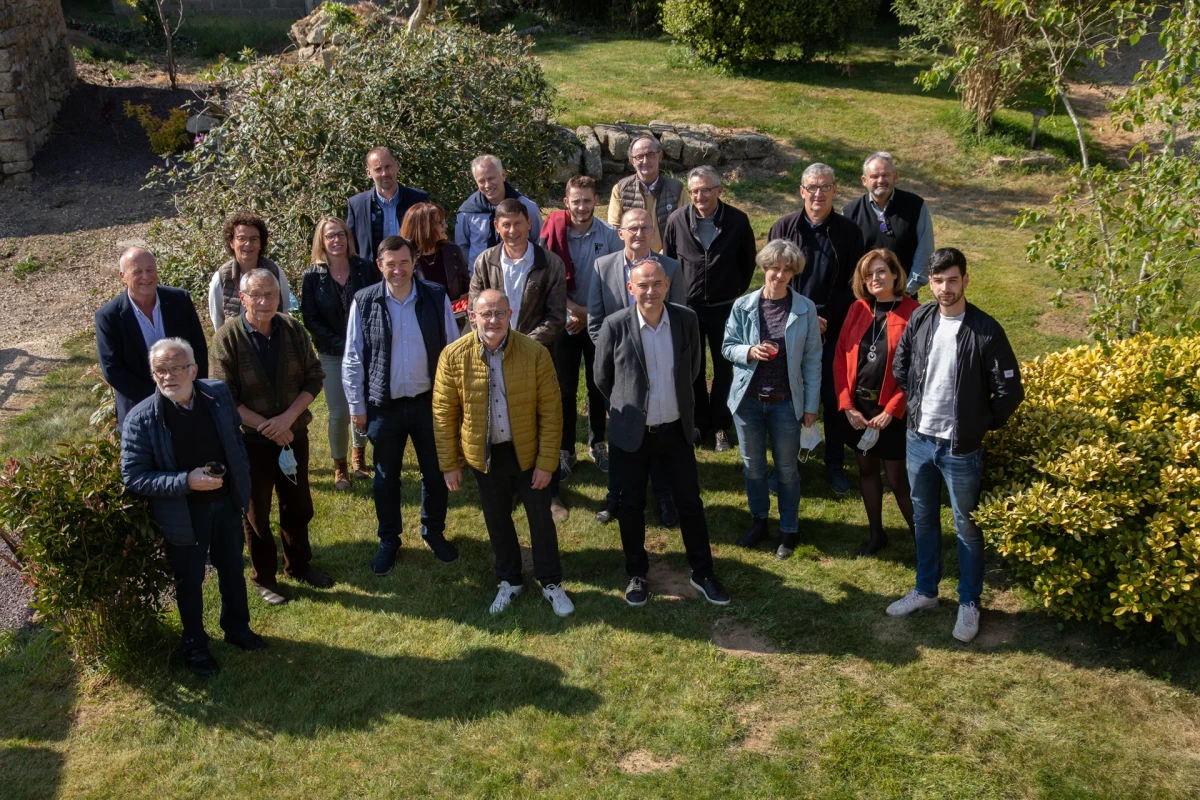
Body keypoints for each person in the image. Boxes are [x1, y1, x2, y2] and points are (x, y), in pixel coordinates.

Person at [886, 247, 1025, 643]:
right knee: (924, 518)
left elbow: (1009, 391)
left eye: (952, 280)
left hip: (960, 448)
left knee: (966, 527)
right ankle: (926, 591)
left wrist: (979, 426)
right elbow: (902, 365)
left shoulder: (986, 330)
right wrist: (915, 408)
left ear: (965, 280)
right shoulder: (921, 317)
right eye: (937, 280)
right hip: (919, 440)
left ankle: (969, 602)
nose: (944, 288)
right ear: (929, 282)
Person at [121, 338, 266, 677]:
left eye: (176, 368)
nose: (169, 376)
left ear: (194, 370)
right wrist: (186, 481)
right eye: (161, 370)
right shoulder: (141, 419)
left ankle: (237, 630)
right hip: (183, 515)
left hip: (226, 505)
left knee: (232, 569)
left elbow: (235, 440)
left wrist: (239, 487)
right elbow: (134, 476)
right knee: (190, 580)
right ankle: (195, 645)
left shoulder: (217, 395)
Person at [595, 259, 730, 608]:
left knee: (690, 503)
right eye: (643, 285)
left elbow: (695, 368)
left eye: (657, 284)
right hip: (632, 435)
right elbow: (602, 377)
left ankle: (702, 573)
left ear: (667, 285)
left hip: (675, 430)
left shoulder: (686, 320)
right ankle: (636, 573)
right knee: (631, 505)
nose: (650, 291)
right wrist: (627, 408)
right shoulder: (615, 325)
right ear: (630, 288)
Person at [432, 289, 573, 616]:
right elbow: (444, 413)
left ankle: (551, 582)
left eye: (499, 314)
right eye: (486, 314)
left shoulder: (535, 352)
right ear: (473, 317)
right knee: (497, 520)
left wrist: (546, 462)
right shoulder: (453, 356)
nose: (492, 320)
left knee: (540, 520)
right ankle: (510, 580)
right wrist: (450, 463)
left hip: (528, 452)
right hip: (486, 455)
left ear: (510, 315)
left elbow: (552, 411)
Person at [210, 268, 333, 606]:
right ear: (243, 296)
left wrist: (287, 419)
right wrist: (268, 426)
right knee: (256, 511)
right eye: (257, 295)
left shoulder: (292, 329)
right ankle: (265, 578)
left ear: (280, 296)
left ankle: (298, 566)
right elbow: (223, 396)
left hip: (293, 434)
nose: (264, 302)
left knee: (298, 505)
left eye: (271, 295)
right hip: (250, 442)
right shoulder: (227, 339)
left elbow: (314, 377)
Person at [342, 235, 461, 576]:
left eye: (404, 262)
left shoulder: (435, 296)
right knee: (384, 479)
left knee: (435, 473)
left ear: (414, 262)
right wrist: (357, 405)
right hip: (385, 405)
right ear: (380, 265)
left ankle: (433, 531)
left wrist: (452, 400)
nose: (398, 269)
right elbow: (353, 358)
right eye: (390, 264)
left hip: (429, 403)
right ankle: (389, 539)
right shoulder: (364, 302)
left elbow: (452, 351)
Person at [767, 163, 866, 495]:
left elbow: (855, 285)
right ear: (801, 191)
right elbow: (775, 281)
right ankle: (787, 463)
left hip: (835, 329)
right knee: (790, 396)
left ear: (835, 191)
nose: (818, 194)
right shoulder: (783, 228)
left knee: (832, 396)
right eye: (812, 187)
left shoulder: (850, 233)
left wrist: (826, 320)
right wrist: (806, 316)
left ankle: (834, 464)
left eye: (825, 187)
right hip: (791, 324)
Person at [721, 240, 822, 559]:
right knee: (753, 467)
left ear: (794, 273)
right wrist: (749, 351)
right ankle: (759, 521)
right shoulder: (744, 305)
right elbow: (727, 346)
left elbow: (812, 360)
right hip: (748, 401)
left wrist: (810, 406)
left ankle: (788, 530)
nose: (779, 274)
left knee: (787, 469)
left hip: (785, 402)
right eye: (774, 267)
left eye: (786, 269)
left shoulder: (805, 308)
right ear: (764, 268)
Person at [587, 208, 685, 527]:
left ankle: (665, 498)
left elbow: (682, 321)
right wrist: (616, 365)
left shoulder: (669, 267)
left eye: (645, 227)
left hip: (661, 368)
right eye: (632, 228)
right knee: (621, 438)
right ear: (620, 232)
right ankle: (615, 496)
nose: (639, 233)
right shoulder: (602, 267)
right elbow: (595, 323)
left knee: (660, 437)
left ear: (653, 232)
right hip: (621, 372)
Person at [539, 175, 623, 521]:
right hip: (563, 323)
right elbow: (544, 278)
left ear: (596, 201)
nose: (581, 207)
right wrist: (569, 313)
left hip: (598, 321)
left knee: (598, 385)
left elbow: (617, 281)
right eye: (576, 200)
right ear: (566, 200)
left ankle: (597, 443)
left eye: (587, 200)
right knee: (563, 389)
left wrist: (586, 314)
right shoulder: (553, 233)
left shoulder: (608, 236)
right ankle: (564, 449)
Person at [662, 165, 757, 452]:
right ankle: (698, 422)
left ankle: (720, 426)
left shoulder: (738, 221)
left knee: (725, 367)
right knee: (694, 368)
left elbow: (747, 263)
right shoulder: (677, 220)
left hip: (724, 308)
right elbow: (669, 261)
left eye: (705, 189)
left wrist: (730, 291)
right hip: (688, 307)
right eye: (694, 191)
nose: (699, 196)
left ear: (719, 190)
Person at [833, 249, 920, 557]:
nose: (874, 279)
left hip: (892, 411)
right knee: (866, 470)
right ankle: (876, 535)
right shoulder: (857, 309)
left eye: (881, 271)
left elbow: (917, 370)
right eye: (868, 275)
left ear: (895, 274)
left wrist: (893, 409)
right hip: (860, 410)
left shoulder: (914, 312)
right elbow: (841, 358)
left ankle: (922, 539)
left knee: (897, 479)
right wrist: (847, 405)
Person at [299, 217, 381, 490]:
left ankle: (359, 458)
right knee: (338, 412)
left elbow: (376, 306)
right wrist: (340, 344)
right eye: (330, 236)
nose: (336, 240)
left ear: (348, 238)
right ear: (321, 242)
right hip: (331, 353)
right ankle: (340, 467)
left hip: (365, 350)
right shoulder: (312, 275)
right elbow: (310, 318)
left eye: (341, 234)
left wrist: (362, 342)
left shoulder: (365, 268)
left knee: (361, 405)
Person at [96, 246, 208, 427]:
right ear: (122, 276)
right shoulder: (109, 316)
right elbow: (112, 370)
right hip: (139, 410)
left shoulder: (180, 300)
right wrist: (160, 398)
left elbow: (198, 350)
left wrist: (191, 392)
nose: (146, 277)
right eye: (137, 271)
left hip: (186, 403)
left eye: (150, 270)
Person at [467, 198, 566, 350]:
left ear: (529, 223)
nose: (512, 230)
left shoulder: (551, 263)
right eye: (506, 224)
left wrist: (522, 347)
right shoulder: (484, 262)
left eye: (518, 223)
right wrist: (495, 341)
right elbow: (474, 311)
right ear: (497, 227)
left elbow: (556, 317)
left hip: (534, 353)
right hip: (493, 351)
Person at [842, 152, 934, 297]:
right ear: (864, 180)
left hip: (905, 298)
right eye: (874, 176)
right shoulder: (850, 212)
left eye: (885, 175)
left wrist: (905, 291)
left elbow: (924, 253)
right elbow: (846, 261)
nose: (880, 180)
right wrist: (863, 292)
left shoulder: (915, 206)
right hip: (864, 300)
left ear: (895, 176)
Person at [455, 154, 543, 270]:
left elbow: (539, 240)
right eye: (481, 181)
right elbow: (461, 246)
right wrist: (479, 266)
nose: (487, 185)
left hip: (519, 274)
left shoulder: (527, 207)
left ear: (503, 175)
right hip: (481, 278)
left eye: (491, 178)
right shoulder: (467, 212)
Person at [346, 146, 430, 264]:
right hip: (373, 277)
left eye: (388, 167)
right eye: (378, 169)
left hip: (414, 272)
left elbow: (429, 239)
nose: (384, 173)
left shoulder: (418, 199)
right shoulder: (357, 205)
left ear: (397, 166)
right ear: (369, 173)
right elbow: (351, 246)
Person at [207, 212, 290, 330]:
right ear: (231, 243)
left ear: (261, 243)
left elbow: (284, 309)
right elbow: (218, 322)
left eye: (254, 239)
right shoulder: (221, 277)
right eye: (241, 239)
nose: (248, 244)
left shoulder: (275, 272)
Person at [607, 134, 687, 253]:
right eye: (639, 156)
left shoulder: (677, 190)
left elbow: (682, 229)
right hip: (631, 259)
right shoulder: (620, 189)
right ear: (632, 161)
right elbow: (614, 229)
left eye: (650, 155)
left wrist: (662, 257)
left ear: (659, 156)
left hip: (666, 260)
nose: (645, 161)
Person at [400, 201, 470, 306]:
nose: (445, 226)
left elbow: (466, 287)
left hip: (453, 318)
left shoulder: (452, 251)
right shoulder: (403, 257)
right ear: (424, 228)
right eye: (440, 223)